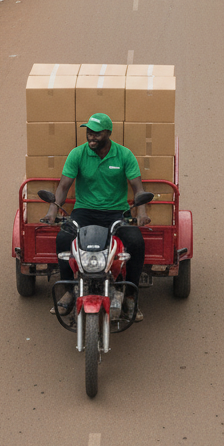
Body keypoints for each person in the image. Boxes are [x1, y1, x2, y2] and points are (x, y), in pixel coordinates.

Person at [41, 113, 149, 323]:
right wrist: (52, 212)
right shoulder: (78, 154)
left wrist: (142, 213)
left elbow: (138, 188)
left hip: (116, 212)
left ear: (108, 133)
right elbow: (64, 186)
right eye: (89, 131)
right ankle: (70, 291)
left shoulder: (124, 155)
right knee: (63, 238)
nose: (91, 136)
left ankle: (129, 296)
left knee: (136, 241)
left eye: (96, 133)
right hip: (84, 211)